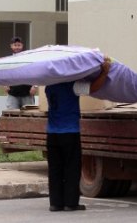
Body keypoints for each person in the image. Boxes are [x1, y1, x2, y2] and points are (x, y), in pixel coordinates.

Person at [45, 56, 111, 212]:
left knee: (55, 169)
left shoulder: (49, 87)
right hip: (70, 132)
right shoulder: (72, 86)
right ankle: (71, 203)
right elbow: (93, 88)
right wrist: (103, 73)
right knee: (72, 169)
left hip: (52, 133)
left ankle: (55, 203)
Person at [5, 37, 37, 109]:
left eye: (19, 45)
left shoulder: (28, 58)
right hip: (12, 93)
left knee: (28, 116)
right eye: (15, 45)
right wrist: (4, 84)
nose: (17, 47)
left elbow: (35, 71)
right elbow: (4, 72)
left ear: (22, 46)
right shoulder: (8, 59)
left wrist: (35, 86)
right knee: (12, 115)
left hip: (27, 93)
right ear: (11, 46)